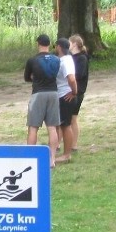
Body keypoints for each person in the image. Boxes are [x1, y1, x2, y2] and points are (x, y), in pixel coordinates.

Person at [23, 34, 61, 168]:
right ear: (49, 45)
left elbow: (27, 77)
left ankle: (30, 158)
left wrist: (34, 78)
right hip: (53, 92)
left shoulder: (32, 60)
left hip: (38, 93)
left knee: (33, 127)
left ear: (38, 44)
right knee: (52, 127)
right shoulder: (57, 60)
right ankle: (52, 159)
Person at [54, 37, 78, 164]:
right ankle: (64, 152)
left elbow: (71, 78)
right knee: (63, 125)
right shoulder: (64, 60)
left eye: (55, 46)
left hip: (65, 96)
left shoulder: (65, 61)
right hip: (62, 95)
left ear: (58, 47)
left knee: (66, 125)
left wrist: (74, 92)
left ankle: (67, 154)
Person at [68, 34, 90, 153]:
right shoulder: (72, 57)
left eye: (69, 42)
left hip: (78, 91)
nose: (68, 45)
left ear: (75, 44)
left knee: (73, 119)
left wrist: (68, 77)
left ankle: (74, 144)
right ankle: (69, 143)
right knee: (69, 119)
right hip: (72, 90)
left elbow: (79, 74)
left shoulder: (82, 58)